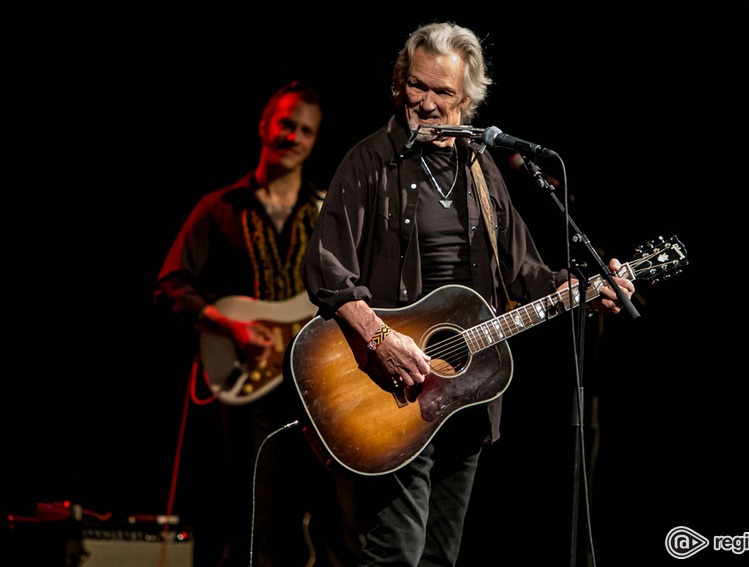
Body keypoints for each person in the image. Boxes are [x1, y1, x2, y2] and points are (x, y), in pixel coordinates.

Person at [300, 22, 635, 566]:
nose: (426, 104)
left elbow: (528, 274)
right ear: (398, 85)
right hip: (392, 390)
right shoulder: (368, 163)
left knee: (439, 558)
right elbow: (326, 269)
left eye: (442, 93)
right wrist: (380, 337)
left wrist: (585, 289)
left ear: (468, 103)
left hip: (464, 392)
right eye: (417, 87)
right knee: (395, 556)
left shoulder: (483, 172)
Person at [155, 82, 356, 566]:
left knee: (340, 520)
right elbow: (171, 283)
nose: (294, 136)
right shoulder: (220, 206)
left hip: (320, 385)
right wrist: (230, 327)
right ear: (265, 126)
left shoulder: (329, 212)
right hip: (250, 392)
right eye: (286, 124)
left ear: (314, 141)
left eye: (306, 131)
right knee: (254, 521)